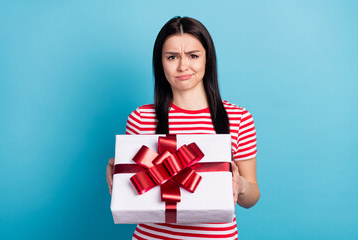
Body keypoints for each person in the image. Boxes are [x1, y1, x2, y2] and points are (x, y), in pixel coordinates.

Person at [106, 16, 260, 240]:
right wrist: (119, 177)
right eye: (172, 57)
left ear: (207, 59)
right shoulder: (140, 118)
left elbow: (252, 197)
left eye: (193, 56)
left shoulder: (238, 118)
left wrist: (241, 185)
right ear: (160, 63)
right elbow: (135, 192)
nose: (182, 66)